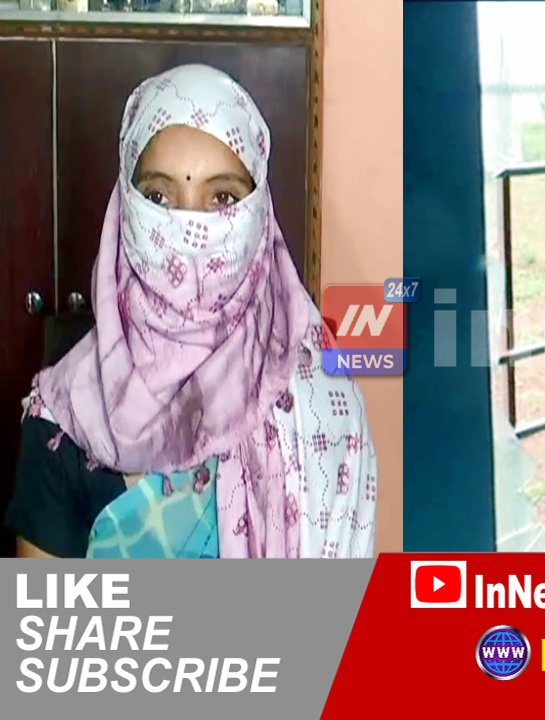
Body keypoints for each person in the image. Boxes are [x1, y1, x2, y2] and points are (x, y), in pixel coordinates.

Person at [4, 64, 376, 558]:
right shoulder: (64, 417)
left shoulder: (320, 399)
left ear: (260, 215)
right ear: (125, 208)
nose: (188, 228)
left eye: (222, 197)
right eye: (158, 196)